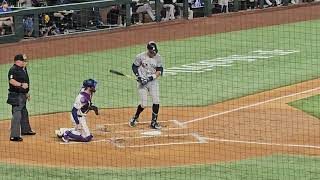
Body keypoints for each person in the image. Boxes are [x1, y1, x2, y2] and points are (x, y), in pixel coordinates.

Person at [129, 41, 163, 130]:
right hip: (142, 83)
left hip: (153, 82)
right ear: (148, 50)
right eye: (152, 52)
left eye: (154, 52)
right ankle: (135, 117)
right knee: (144, 104)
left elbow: (159, 71)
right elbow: (134, 67)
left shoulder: (158, 57)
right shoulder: (140, 56)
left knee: (156, 100)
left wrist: (149, 78)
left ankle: (154, 122)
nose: (153, 54)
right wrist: (138, 77)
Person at [7, 54, 36, 142]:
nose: (25, 62)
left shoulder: (23, 69)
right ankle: (14, 136)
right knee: (17, 113)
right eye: (23, 61)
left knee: (24, 112)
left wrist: (26, 92)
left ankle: (25, 130)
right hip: (16, 95)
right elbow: (11, 81)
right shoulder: (13, 69)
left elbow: (25, 81)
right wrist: (21, 85)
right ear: (18, 61)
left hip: (22, 95)